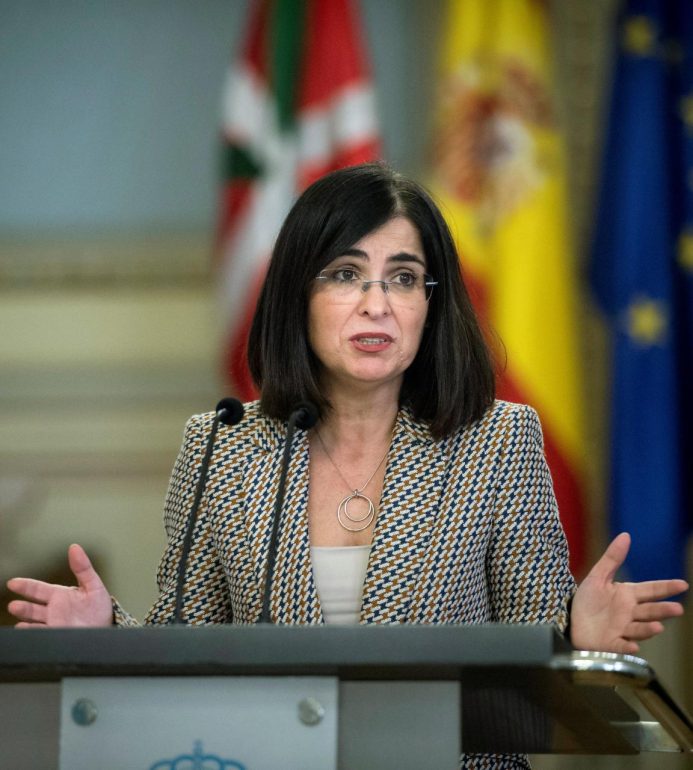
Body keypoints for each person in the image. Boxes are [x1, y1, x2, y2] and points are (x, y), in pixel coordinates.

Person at [6, 163, 688, 768]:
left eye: (403, 278)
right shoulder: (222, 447)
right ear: (297, 296)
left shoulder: (497, 441)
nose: (376, 303)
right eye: (344, 274)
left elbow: (530, 640)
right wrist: (106, 635)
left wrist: (577, 636)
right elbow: (188, 648)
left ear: (430, 304)